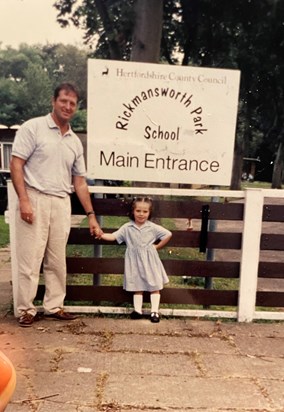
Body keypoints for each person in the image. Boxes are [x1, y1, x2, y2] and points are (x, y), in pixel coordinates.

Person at [10, 82, 102, 327]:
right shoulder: (34, 128)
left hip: (61, 202)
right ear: (53, 101)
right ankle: (26, 310)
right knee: (30, 259)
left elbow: (79, 183)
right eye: (64, 101)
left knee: (56, 259)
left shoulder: (74, 141)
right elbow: (16, 164)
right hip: (35, 197)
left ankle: (53, 306)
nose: (68, 106)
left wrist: (91, 215)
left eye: (72, 103)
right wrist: (24, 200)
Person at [101, 197, 172, 323]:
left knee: (154, 285)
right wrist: (101, 235)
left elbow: (168, 234)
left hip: (150, 260)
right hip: (134, 262)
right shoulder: (127, 227)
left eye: (145, 212)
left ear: (149, 213)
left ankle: (154, 311)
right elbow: (113, 236)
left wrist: (157, 246)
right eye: (138, 210)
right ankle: (137, 310)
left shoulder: (152, 227)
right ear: (133, 211)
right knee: (137, 285)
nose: (141, 214)